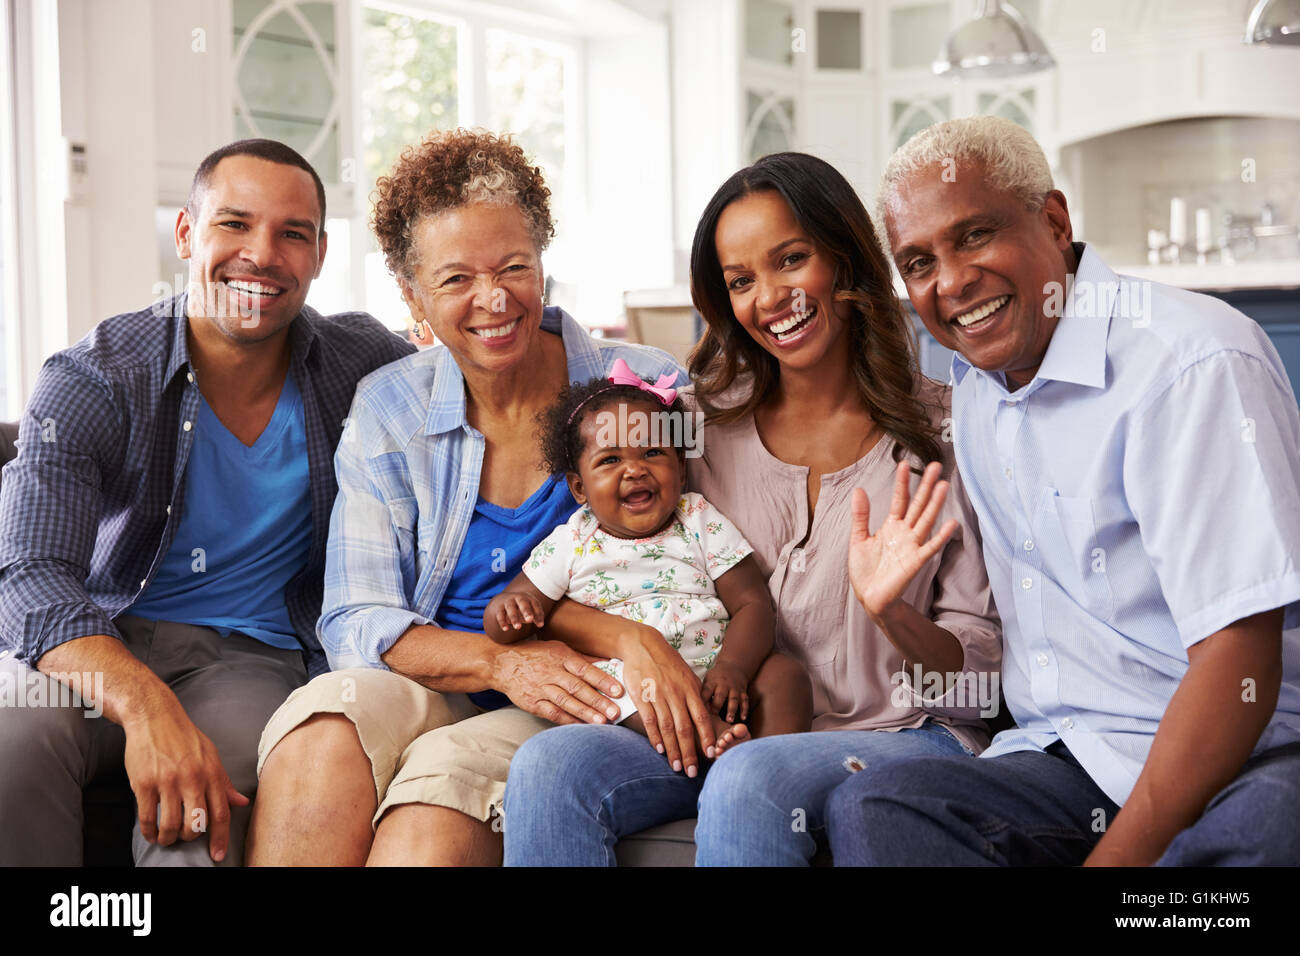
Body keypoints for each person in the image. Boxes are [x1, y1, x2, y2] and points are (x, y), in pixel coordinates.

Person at [502, 152, 1001, 866]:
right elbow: (589, 553)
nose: (769, 298)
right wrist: (631, 642)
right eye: (741, 281)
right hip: (726, 730)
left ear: (845, 259)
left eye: (791, 259)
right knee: (552, 765)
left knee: (751, 776)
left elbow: (976, 691)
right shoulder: (691, 428)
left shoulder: (948, 433)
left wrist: (893, 613)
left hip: (899, 735)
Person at [827, 115, 1300, 866]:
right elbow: (986, 677)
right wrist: (891, 613)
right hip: (1072, 758)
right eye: (918, 262)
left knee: (1262, 838)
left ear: (1052, 221)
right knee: (879, 809)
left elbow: (1239, 658)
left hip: (1245, 755)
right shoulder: (978, 389)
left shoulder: (1192, 363)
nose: (950, 282)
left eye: (974, 236)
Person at [245, 129, 691, 867]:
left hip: (579, 692)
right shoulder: (390, 407)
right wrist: (498, 662)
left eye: (514, 267)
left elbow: (710, 555)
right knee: (323, 727)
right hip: (439, 674)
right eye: (454, 280)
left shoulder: (646, 388)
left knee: (436, 797)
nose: (493, 299)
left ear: (543, 261)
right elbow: (356, 617)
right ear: (411, 293)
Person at [0, 139, 415, 866]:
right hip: (97, 642)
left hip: (249, 659)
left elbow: (484, 377)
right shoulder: (96, 377)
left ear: (319, 255)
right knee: (9, 740)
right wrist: (146, 705)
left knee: (200, 808)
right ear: (187, 233)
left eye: (293, 233)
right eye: (235, 224)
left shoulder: (360, 364)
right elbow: (30, 576)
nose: (261, 253)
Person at [484, 363, 812, 748]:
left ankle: (769, 767)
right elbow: (507, 615)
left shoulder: (698, 518)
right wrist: (509, 611)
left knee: (785, 674)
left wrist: (734, 669)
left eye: (652, 452)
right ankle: (713, 742)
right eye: (610, 460)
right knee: (613, 687)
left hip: (719, 675)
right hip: (635, 681)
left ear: (681, 468)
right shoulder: (572, 541)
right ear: (578, 488)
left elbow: (753, 604)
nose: (635, 470)